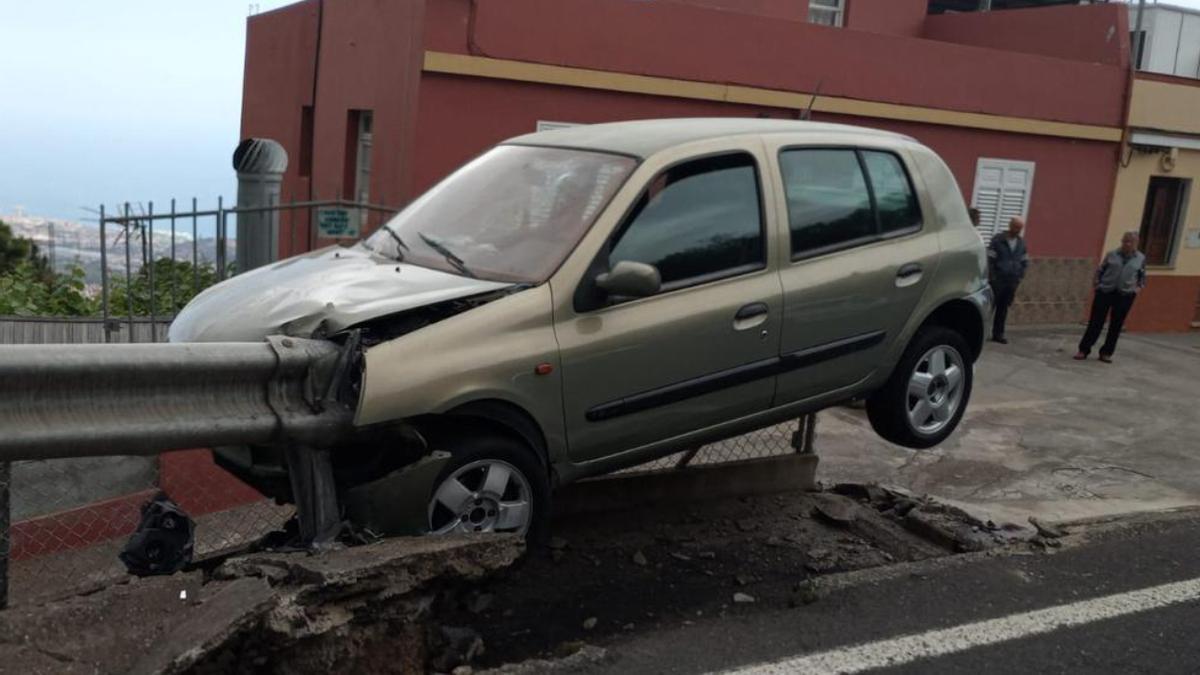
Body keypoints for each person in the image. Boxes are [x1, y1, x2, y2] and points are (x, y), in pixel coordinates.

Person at [1074, 231, 1146, 363]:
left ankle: (1106, 353)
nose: (1127, 244)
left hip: (1125, 295)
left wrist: (1136, 290)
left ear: (1136, 243)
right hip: (1106, 292)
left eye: (1131, 242)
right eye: (1125, 241)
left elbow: (1142, 278)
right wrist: (1097, 285)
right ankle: (1084, 350)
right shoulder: (1112, 255)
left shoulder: (1140, 258)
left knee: (1116, 325)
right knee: (1096, 322)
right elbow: (1100, 270)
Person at [987, 216, 1029, 344]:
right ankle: (980, 332)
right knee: (989, 307)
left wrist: (1020, 275)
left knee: (1003, 309)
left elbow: (1024, 261)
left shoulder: (1021, 243)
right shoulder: (998, 240)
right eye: (1016, 227)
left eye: (1020, 228)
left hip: (1011, 281)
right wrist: (992, 276)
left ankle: (998, 334)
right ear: (1010, 226)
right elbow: (990, 259)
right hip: (998, 280)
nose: (1017, 230)